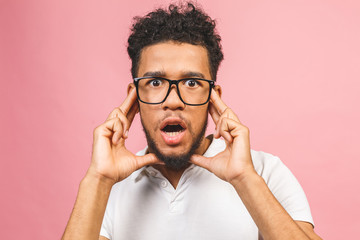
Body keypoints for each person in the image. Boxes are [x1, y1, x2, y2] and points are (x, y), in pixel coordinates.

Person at [62, 2, 321, 240]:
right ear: (134, 98)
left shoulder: (265, 172)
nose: (173, 101)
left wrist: (244, 178)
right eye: (155, 82)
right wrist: (98, 179)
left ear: (213, 98)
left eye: (191, 82)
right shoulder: (108, 190)